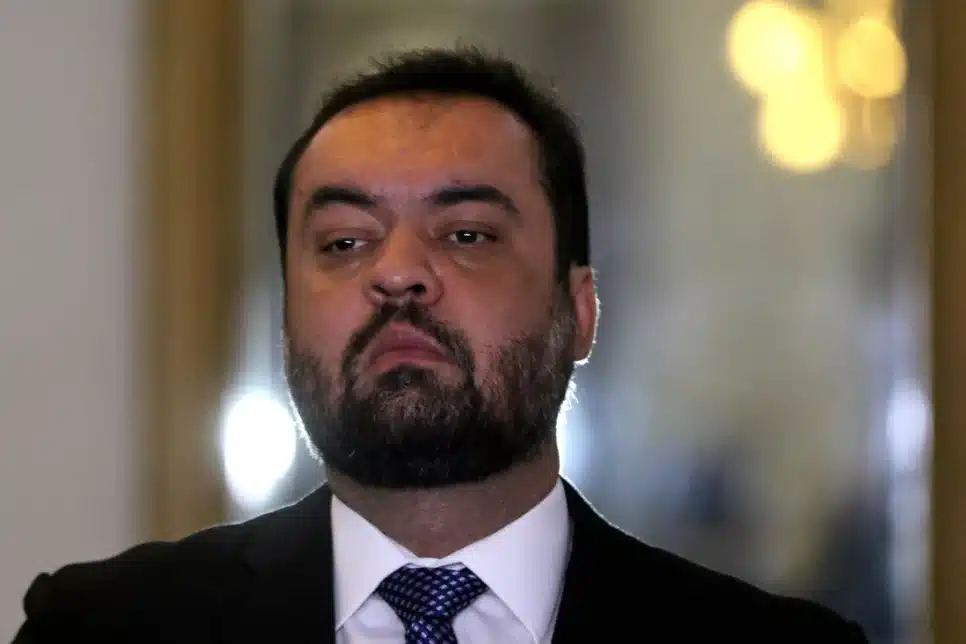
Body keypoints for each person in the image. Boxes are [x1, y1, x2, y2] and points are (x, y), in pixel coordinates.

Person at [14, 47, 868, 643]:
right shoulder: (101, 629)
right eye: (344, 242)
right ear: (286, 319)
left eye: (466, 235)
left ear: (579, 313)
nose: (397, 274)